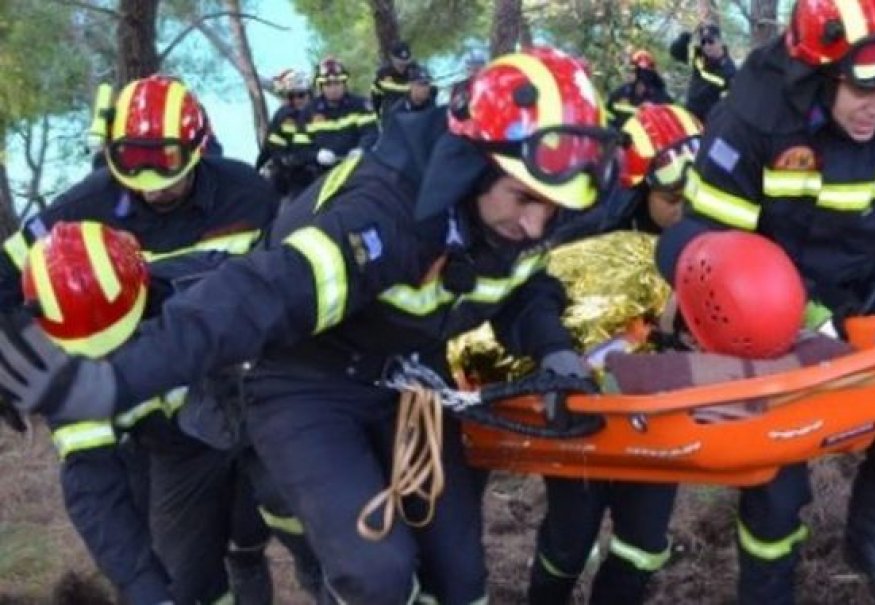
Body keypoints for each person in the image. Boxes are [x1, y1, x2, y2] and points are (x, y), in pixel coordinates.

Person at [1, 46, 622, 605]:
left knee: (459, 572)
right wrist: (108, 384)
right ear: (469, 166)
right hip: (306, 381)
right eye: (524, 199)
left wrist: (554, 351)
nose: (537, 226)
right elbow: (258, 293)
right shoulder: (382, 219)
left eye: (552, 209)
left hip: (409, 376)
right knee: (376, 574)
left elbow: (522, 286)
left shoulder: (526, 213)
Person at [653, 1, 875, 603]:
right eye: (865, 88)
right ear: (819, 69)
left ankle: (874, 537)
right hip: (762, 304)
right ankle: (767, 589)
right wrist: (804, 322)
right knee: (777, 474)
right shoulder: (752, 120)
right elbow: (705, 248)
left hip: (863, 283)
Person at [0, 74, 283, 604]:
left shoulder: (248, 193)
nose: (152, 184)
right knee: (179, 566)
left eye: (167, 165)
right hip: (156, 417)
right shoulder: (81, 206)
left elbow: (288, 278)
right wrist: (13, 357)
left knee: (271, 527)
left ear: (198, 148)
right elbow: (4, 275)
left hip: (255, 394)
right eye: (131, 164)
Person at [530, 103, 703, 604]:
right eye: (673, 199)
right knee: (570, 538)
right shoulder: (584, 235)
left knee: (643, 544)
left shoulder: (705, 236)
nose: (686, 211)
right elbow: (538, 303)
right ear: (636, 190)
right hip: (585, 408)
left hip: (659, 411)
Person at [304, 57, 378, 173]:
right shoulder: (309, 111)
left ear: (344, 83)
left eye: (337, 83)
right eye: (328, 84)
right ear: (321, 86)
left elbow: (371, 132)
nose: (333, 88)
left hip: (357, 168)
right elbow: (300, 146)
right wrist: (316, 154)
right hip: (321, 172)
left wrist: (361, 149)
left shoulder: (360, 105)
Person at [256, 69, 316, 198]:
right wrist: (257, 169)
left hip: (315, 172)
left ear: (309, 94)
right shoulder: (282, 115)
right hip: (286, 175)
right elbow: (270, 146)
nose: (297, 100)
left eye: (301, 95)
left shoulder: (320, 113)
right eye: (291, 96)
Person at [669, 22, 738, 122]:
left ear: (720, 41)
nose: (707, 46)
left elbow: (729, 105)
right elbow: (675, 52)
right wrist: (686, 36)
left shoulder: (729, 70)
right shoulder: (698, 56)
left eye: (710, 41)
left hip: (709, 122)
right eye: (703, 42)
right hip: (689, 116)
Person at [606, 50, 673, 129]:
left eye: (633, 71)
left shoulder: (662, 98)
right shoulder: (621, 92)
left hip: (644, 136)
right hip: (618, 134)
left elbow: (669, 123)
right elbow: (608, 113)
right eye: (630, 70)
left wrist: (654, 111)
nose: (629, 74)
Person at [371, 40, 417, 124]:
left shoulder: (415, 70)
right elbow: (376, 98)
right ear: (392, 57)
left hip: (414, 115)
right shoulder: (383, 74)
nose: (403, 64)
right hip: (392, 117)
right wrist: (377, 116)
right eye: (400, 61)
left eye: (406, 61)